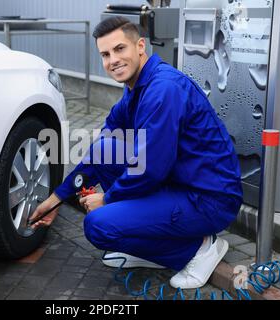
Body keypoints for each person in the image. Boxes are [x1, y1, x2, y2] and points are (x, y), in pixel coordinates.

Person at [30, 16, 243, 289]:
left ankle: (199, 248)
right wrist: (57, 198)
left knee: (98, 225)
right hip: (177, 182)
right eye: (105, 54)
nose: (112, 60)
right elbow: (101, 151)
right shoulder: (134, 90)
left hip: (208, 199)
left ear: (140, 46)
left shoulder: (162, 90)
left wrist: (107, 199)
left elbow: (151, 168)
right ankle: (148, 245)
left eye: (120, 49)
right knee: (107, 149)